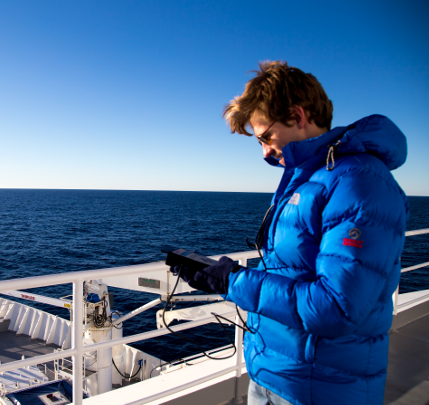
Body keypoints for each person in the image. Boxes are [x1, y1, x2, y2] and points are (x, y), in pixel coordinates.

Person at [174, 61, 409, 405]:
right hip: (274, 376)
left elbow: (337, 307)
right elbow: (292, 273)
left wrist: (233, 282)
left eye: (266, 137)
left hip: (319, 390)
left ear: (298, 116)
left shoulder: (359, 183)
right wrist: (219, 277)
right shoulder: (311, 177)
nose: (266, 151)